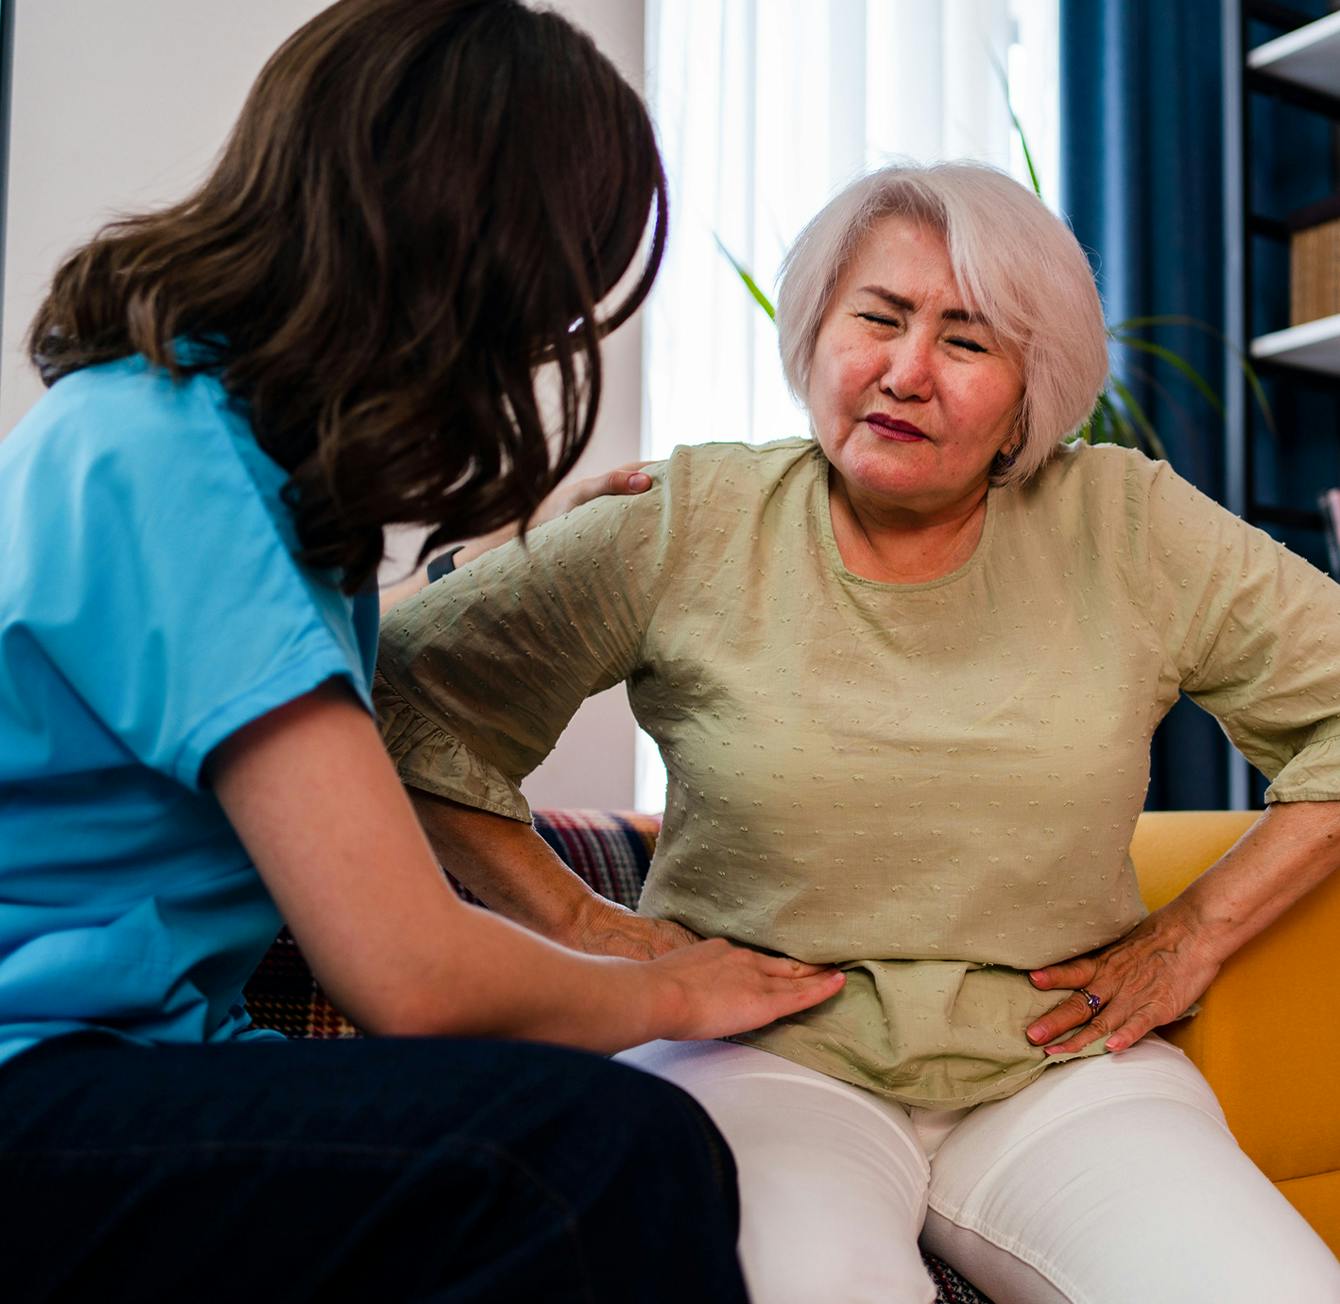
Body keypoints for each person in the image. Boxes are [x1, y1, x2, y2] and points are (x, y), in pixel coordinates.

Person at [374, 161, 1340, 1303]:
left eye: (966, 340)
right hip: (756, 1056)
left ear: (1035, 389)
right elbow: (395, 701)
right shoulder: (687, 521)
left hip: (1060, 1063)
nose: (903, 371)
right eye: (875, 319)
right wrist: (589, 925)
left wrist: (1196, 932)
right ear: (815, 331)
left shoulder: (1125, 522)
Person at [0, 2, 848, 1299]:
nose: (550, 338)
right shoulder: (173, 461)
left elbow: (280, 692)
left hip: (130, 1052)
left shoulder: (190, 441)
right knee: (598, 1154)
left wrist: (537, 563)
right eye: (556, 292)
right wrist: (674, 991)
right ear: (467, 252)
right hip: (38, 1079)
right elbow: (414, 973)